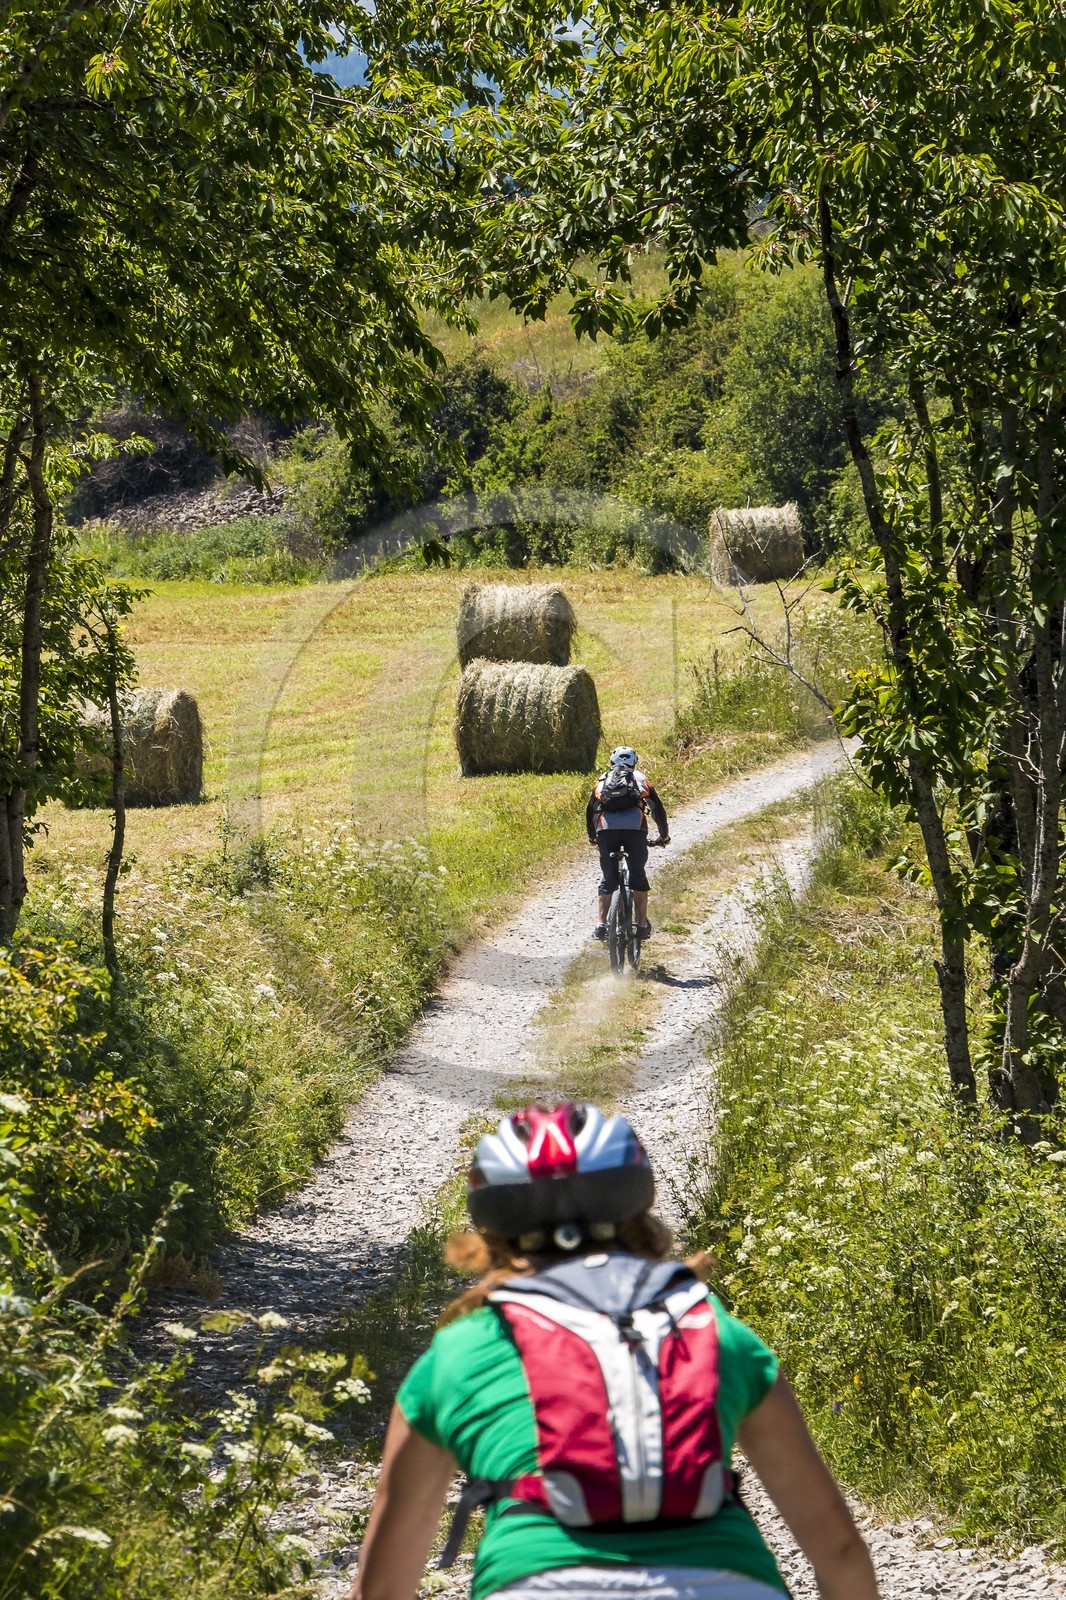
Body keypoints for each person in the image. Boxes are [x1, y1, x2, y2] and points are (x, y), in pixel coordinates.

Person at [352, 1101, 880, 1600]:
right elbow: (839, 1550)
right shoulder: (714, 1331)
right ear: (637, 1214)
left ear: (495, 1231)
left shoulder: (459, 1353)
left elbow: (383, 1589)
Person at [586, 747, 669, 943]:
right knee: (638, 875)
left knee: (608, 879)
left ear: (611, 761)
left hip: (606, 831)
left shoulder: (602, 779)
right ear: (635, 762)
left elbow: (590, 810)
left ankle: (601, 925)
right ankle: (641, 925)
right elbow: (657, 807)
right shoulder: (640, 778)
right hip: (635, 830)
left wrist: (593, 836)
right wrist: (663, 836)